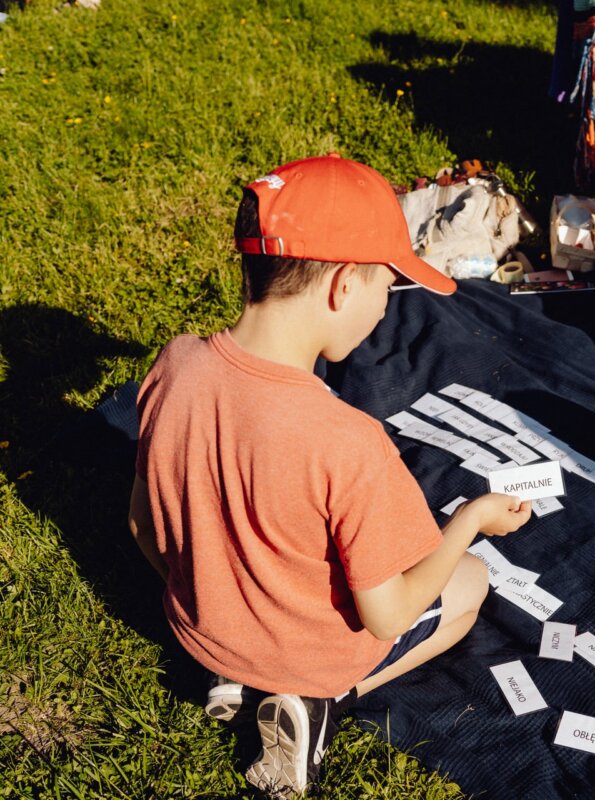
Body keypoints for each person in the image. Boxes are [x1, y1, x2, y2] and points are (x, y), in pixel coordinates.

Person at [128, 154, 532, 797]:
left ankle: (232, 674)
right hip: (307, 653)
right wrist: (470, 521)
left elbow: (142, 524)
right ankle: (321, 701)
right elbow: (388, 614)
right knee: (469, 584)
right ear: (344, 284)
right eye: (386, 287)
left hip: (202, 629)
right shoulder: (349, 442)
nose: (383, 310)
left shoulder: (175, 365)